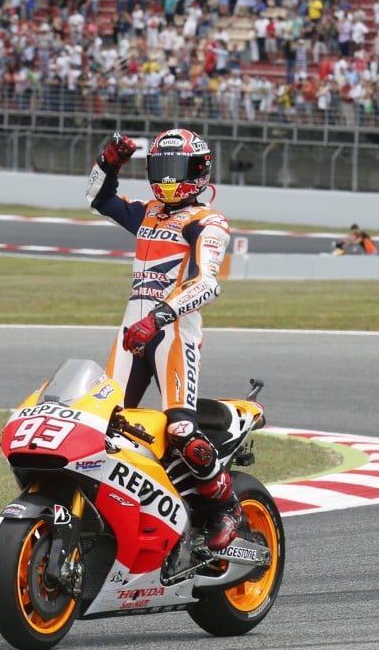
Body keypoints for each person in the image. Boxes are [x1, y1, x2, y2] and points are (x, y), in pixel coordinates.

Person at [84, 129, 240, 551]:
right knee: (104, 423)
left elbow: (209, 285)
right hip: (130, 332)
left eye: (178, 169)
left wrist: (158, 318)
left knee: (182, 428)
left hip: (172, 333)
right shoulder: (148, 211)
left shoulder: (208, 221)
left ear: (200, 171)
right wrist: (109, 161)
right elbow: (97, 200)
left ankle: (226, 506)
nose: (169, 179)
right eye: (161, 168)